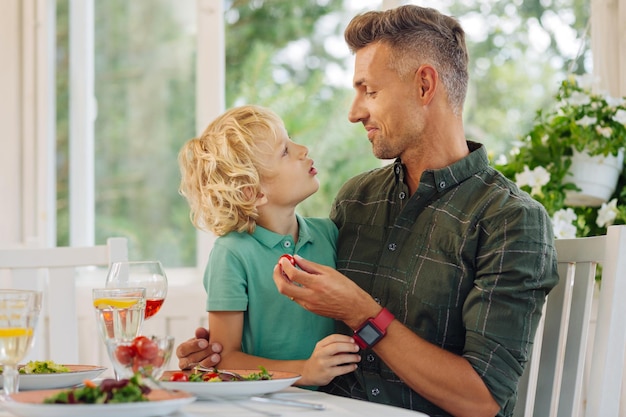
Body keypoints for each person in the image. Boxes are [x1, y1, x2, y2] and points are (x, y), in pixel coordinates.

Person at [176, 6, 559, 417]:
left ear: (425, 85)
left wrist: (364, 314)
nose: (354, 112)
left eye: (369, 91)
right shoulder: (357, 198)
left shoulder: (510, 218)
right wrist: (224, 357)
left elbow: (481, 399)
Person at [177, 105, 360, 387]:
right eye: (285, 151)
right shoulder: (231, 254)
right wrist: (305, 371)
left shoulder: (328, 234)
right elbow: (223, 359)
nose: (302, 149)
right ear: (254, 192)